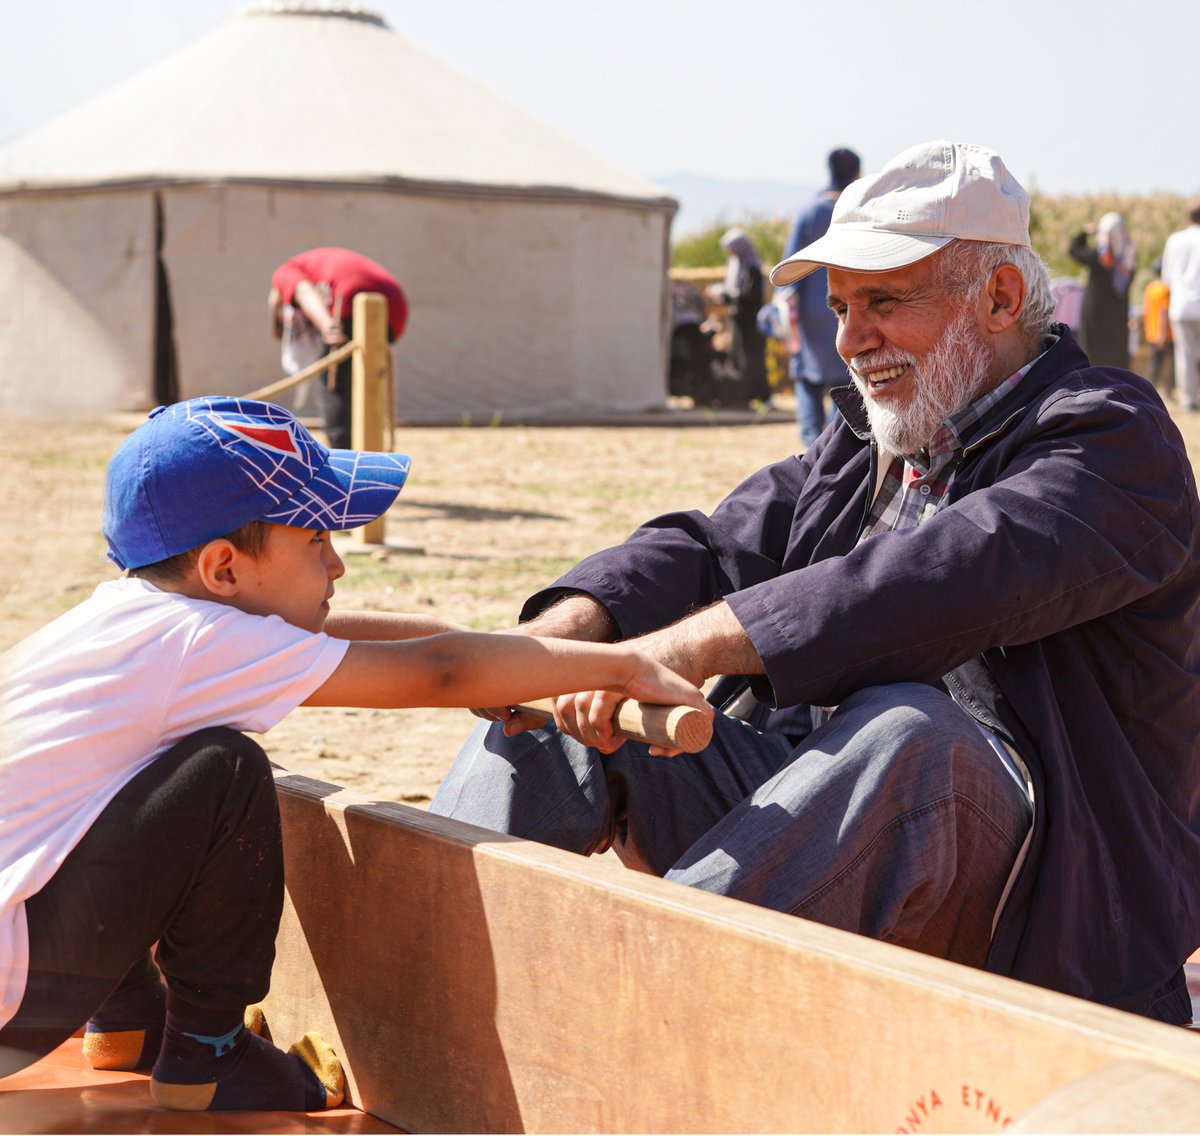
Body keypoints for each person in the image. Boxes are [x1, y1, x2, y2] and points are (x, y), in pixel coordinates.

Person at [430, 141, 1200, 1025]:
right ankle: (419, 993)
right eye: (838, 307)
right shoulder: (873, 443)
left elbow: (936, 579)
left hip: (1045, 918)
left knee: (914, 734)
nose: (849, 338)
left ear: (999, 297)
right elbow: (718, 544)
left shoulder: (1112, 443)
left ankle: (620, 1024)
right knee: (554, 714)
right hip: (824, 844)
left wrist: (676, 649)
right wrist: (576, 628)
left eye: (883, 301)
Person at [0, 397, 704, 1110]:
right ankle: (207, 1058)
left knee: (143, 780)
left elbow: (420, 645)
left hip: (23, 968)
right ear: (222, 567)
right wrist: (620, 668)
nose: (337, 562)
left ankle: (126, 1024)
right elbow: (440, 671)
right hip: (17, 1000)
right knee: (225, 770)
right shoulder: (201, 643)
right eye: (315, 541)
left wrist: (501, 655)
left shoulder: (123, 626)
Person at [269, 248, 409, 448]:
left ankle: (342, 452)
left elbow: (303, 290)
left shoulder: (285, 271)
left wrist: (326, 322)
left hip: (352, 298)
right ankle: (368, 446)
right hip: (394, 306)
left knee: (334, 382)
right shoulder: (315, 263)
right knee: (364, 380)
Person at [780, 148, 860, 447]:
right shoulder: (853, 213)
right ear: (855, 174)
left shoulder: (809, 212)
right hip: (845, 309)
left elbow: (789, 267)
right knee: (844, 380)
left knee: (807, 379)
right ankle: (831, 445)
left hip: (809, 314)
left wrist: (786, 312)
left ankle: (810, 445)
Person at [1067, 213, 1136, 368]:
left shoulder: (1099, 258)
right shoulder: (1128, 261)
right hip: (1117, 319)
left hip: (1095, 317)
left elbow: (1074, 250)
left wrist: (1084, 233)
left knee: (1094, 357)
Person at [708, 228, 768, 404]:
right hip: (739, 322)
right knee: (739, 359)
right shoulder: (736, 267)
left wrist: (727, 295)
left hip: (751, 323)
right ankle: (743, 396)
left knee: (753, 359)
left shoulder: (752, 269)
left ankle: (762, 397)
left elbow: (750, 297)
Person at [1162, 199, 1200, 411]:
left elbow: (1166, 277)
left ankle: (1188, 399)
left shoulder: (1176, 240)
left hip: (1182, 305)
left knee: (1184, 354)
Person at [1142, 257, 1173, 394]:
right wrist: (1162, 333)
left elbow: (1146, 309)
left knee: (1154, 365)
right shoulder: (1165, 289)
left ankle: (1148, 391)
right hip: (1165, 334)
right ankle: (1167, 391)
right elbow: (1163, 312)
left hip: (1151, 332)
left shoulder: (1150, 287)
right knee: (1171, 365)